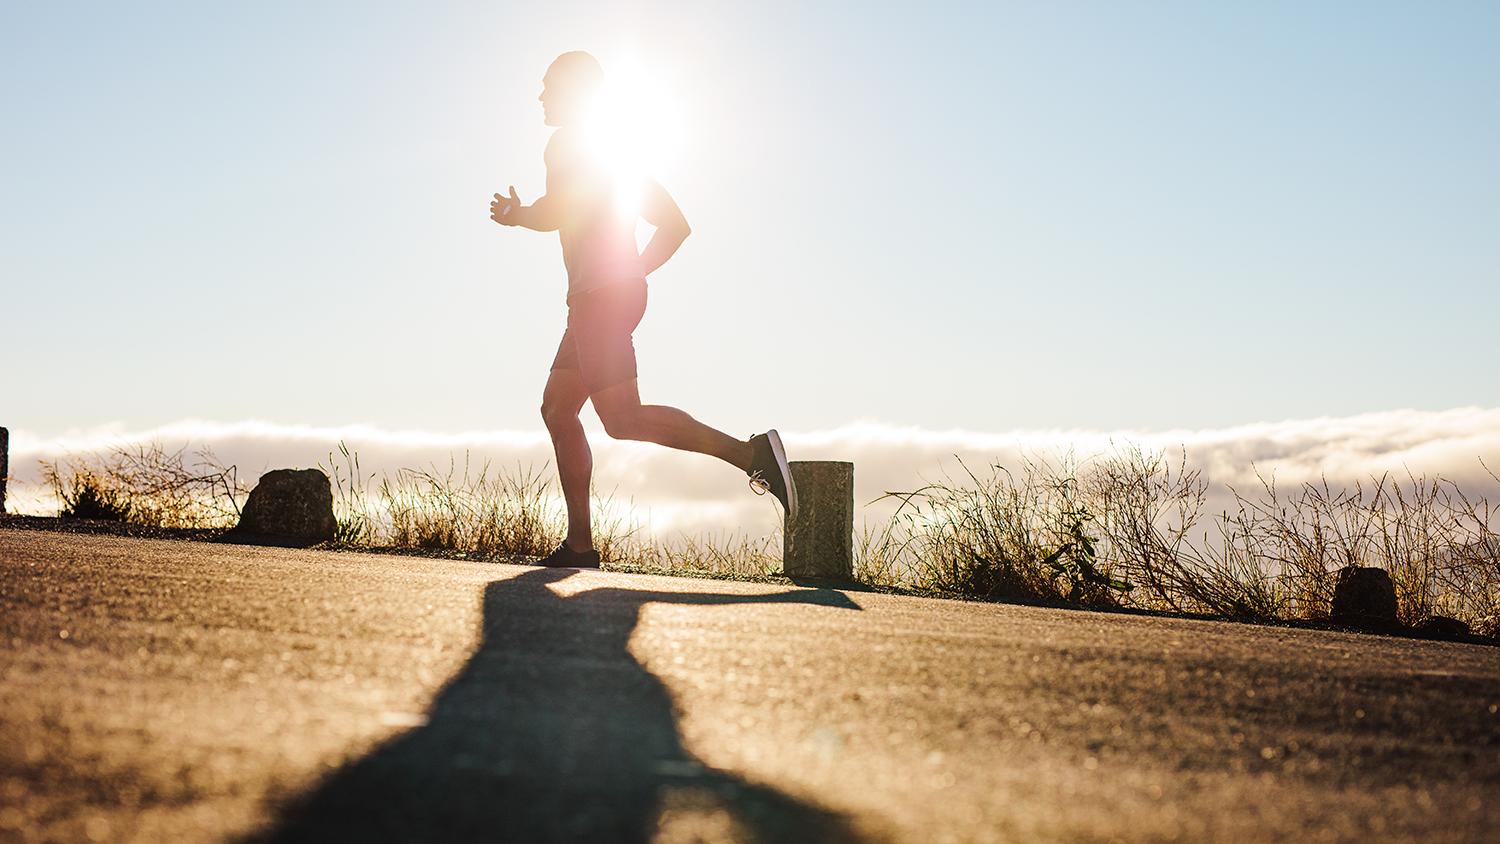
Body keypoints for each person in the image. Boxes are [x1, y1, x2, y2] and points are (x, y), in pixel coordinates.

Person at [490, 51, 795, 569]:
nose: (540, 96)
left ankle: (754, 456)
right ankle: (580, 546)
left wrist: (519, 216)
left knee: (622, 418)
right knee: (559, 409)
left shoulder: (568, 144)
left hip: (599, 300)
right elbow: (675, 223)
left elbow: (560, 207)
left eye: (548, 86)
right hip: (602, 297)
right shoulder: (616, 152)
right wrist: (635, 273)